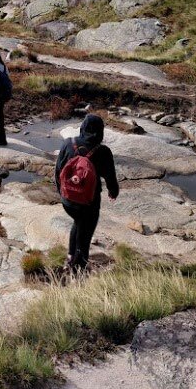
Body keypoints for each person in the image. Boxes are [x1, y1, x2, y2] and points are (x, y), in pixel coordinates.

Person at [55, 114, 118, 273]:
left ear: (82, 128)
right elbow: (110, 177)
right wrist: (113, 192)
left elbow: (58, 172)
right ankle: (78, 269)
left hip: (68, 201)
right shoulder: (103, 151)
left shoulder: (68, 143)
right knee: (85, 235)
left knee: (78, 223)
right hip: (89, 203)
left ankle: (71, 257)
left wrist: (62, 193)